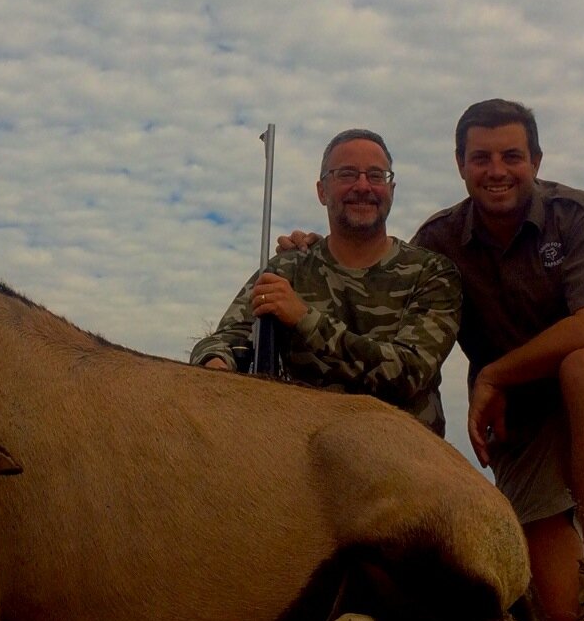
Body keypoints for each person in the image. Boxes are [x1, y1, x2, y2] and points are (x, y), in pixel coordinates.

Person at [410, 99, 584, 621]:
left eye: (511, 156)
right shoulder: (436, 241)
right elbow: (385, 291)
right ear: (460, 165)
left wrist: (494, 374)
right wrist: (314, 254)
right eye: (481, 158)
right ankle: (581, 603)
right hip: (524, 422)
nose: (496, 170)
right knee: (560, 614)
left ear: (537, 160)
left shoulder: (580, 213)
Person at [191, 128, 461, 436]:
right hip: (303, 455)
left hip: (406, 459)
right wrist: (216, 365)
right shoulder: (286, 268)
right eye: (346, 174)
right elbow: (225, 339)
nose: (363, 186)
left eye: (376, 175)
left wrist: (304, 320)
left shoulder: (433, 273)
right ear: (322, 191)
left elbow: (407, 372)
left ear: (392, 189)